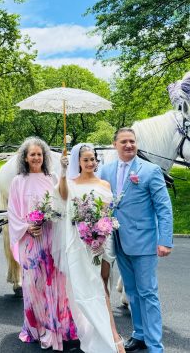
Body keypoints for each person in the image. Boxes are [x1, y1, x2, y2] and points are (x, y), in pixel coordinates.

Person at [100, 128, 173, 353]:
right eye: (124, 141)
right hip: (118, 240)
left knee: (148, 293)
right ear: (114, 145)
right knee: (131, 292)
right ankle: (139, 335)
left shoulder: (150, 170)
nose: (129, 145)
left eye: (132, 141)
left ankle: (154, 345)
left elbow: (164, 207)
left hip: (144, 242)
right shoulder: (106, 170)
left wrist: (165, 240)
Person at [7, 137, 79, 351]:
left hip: (51, 238)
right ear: (25, 158)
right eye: (32, 154)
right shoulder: (18, 181)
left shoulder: (52, 177)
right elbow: (13, 211)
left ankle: (55, 327)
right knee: (33, 285)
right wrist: (27, 227)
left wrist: (64, 172)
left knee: (54, 282)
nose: (36, 157)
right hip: (29, 240)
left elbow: (63, 201)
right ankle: (36, 327)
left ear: (44, 157)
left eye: (39, 154)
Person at [52, 143, 125, 353]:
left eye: (92, 159)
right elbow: (62, 197)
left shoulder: (104, 184)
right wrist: (63, 172)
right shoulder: (71, 183)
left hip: (103, 240)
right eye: (85, 160)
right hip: (82, 242)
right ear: (79, 162)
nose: (90, 163)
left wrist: (102, 232)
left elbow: (106, 212)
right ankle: (113, 337)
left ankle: (106, 332)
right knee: (93, 286)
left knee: (103, 283)